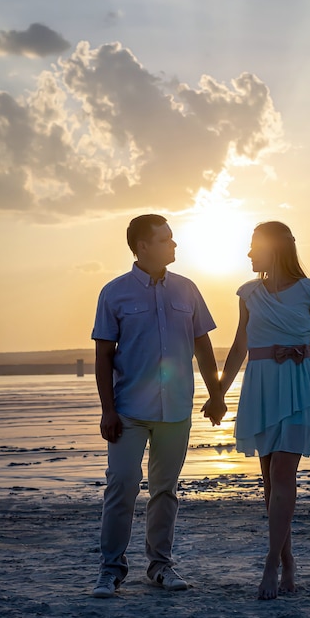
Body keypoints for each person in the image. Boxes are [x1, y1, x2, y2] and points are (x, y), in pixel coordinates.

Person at [91, 214, 226, 598]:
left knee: (165, 490)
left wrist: (216, 396)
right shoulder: (113, 293)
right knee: (121, 486)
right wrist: (107, 409)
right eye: (166, 239)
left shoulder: (187, 289)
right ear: (143, 246)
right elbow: (103, 355)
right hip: (128, 410)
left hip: (177, 410)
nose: (174, 245)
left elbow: (203, 345)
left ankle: (160, 566)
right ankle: (110, 570)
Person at [207, 221, 310, 600]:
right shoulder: (248, 293)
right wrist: (218, 394)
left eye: (254, 247)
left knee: (283, 473)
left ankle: (270, 564)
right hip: (261, 388)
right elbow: (238, 347)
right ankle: (288, 560)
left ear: (275, 248)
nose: (248, 254)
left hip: (300, 388)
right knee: (270, 484)